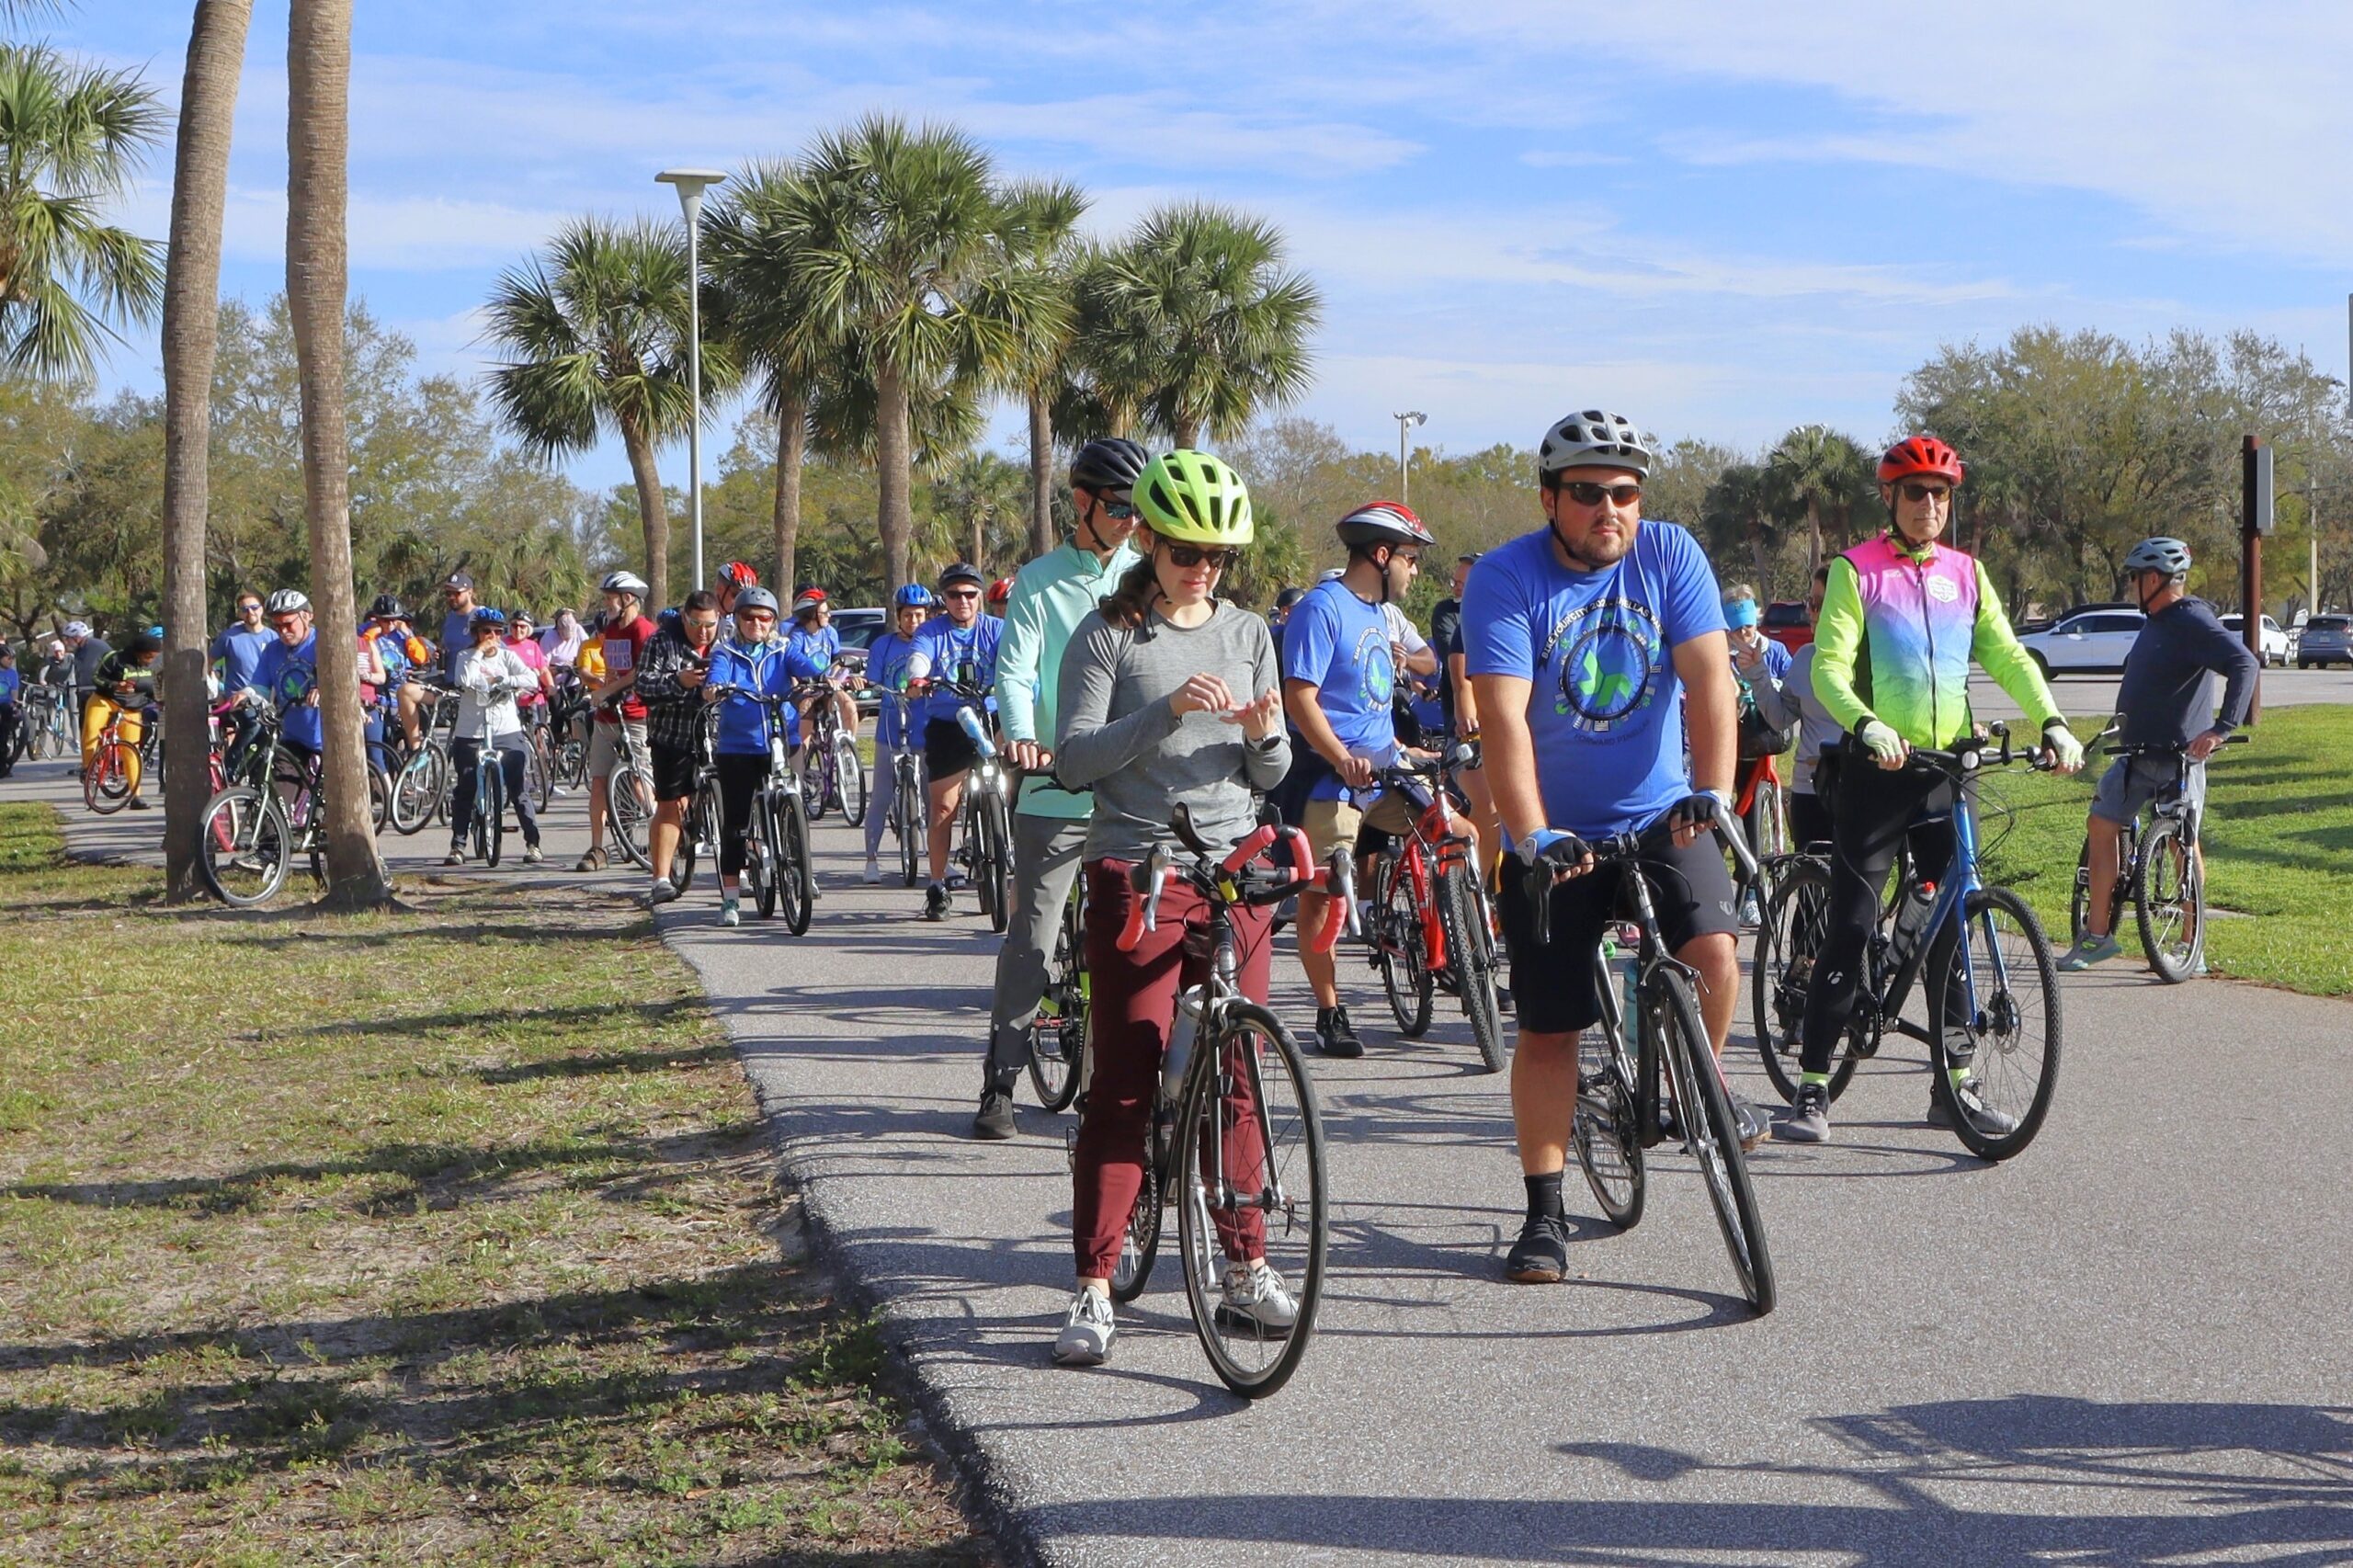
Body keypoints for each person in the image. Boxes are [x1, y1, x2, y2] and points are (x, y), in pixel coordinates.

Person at [1462, 407, 1760, 1284]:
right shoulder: (1506, 580)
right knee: (1552, 1032)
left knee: (1714, 946)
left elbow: (1710, 682)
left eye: (1624, 494)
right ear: (1550, 498)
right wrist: (1530, 834)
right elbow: (1504, 722)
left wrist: (1711, 788)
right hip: (1557, 835)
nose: (1609, 511)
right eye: (1588, 494)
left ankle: (1698, 1087)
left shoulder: (1671, 555)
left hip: (1663, 814)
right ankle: (1544, 1210)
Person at [1048, 448, 1292, 1368]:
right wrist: (1164, 714)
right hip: (1139, 869)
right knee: (1126, 1079)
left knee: (1240, 1071)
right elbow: (1073, 762)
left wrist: (1266, 737)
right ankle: (1094, 1286)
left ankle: (1246, 1263)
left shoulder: (1248, 632)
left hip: (1234, 872)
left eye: (1218, 555)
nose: (1201, 567)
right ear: (1146, 537)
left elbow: (1269, 772)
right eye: (1186, 548)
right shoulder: (1108, 636)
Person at [1775, 435, 2084, 1146]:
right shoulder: (1859, 569)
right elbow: (1826, 667)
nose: (1929, 505)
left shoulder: (1967, 574)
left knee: (1951, 926)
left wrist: (2055, 722)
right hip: (1877, 772)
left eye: (1940, 493)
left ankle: (1956, 1084)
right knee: (1852, 924)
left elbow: (2007, 654)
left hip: (1948, 771)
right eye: (1915, 492)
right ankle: (1814, 1084)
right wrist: (1866, 724)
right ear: (1891, 498)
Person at [977, 437, 1148, 1140]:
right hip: (1054, 784)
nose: (1130, 522)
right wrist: (1020, 734)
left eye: (1140, 510)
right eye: (1117, 508)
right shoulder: (1039, 581)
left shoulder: (1153, 575)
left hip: (1131, 790)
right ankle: (1000, 1081)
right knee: (1035, 940)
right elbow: (1016, 671)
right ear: (1081, 503)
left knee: (1137, 942)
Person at [1279, 500, 1436, 1058]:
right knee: (1321, 896)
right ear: (1382, 554)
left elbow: (1372, 702)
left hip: (1385, 769)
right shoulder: (1322, 609)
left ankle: (1448, 943)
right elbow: (1300, 700)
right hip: (1332, 779)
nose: (1415, 572)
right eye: (1411, 560)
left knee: (1453, 828)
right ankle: (1329, 1011)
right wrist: (1342, 756)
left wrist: (1401, 748)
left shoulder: (1375, 613)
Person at [2060, 536, 2256, 973]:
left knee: (2182, 846)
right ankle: (2097, 938)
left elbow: (2245, 664)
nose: (2132, 587)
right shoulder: (2155, 621)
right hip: (2134, 754)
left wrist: (2222, 728)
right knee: (2102, 822)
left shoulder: (2192, 620)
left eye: (2134, 578)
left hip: (2178, 760)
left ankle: (2192, 947)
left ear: (2153, 579)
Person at [906, 562, 1004, 921]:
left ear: (980, 597)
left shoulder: (997, 629)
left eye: (970, 594)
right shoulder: (931, 631)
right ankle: (936, 885)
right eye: (954, 595)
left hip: (993, 719)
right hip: (949, 725)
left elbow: (1018, 662)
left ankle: (1013, 865)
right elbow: (919, 659)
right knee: (944, 809)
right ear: (943, 598)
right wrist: (919, 678)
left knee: (1018, 794)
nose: (962, 601)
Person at [699, 586, 798, 926]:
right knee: (737, 824)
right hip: (738, 746)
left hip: (779, 739)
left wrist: (825, 675)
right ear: (737, 620)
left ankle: (798, 866)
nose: (756, 623)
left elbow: (808, 665)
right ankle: (729, 900)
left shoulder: (782, 650)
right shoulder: (726, 652)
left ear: (773, 621)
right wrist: (715, 687)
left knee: (791, 800)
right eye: (748, 617)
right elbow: (717, 677)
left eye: (764, 617)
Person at [634, 589, 723, 904]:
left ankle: (738, 868)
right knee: (670, 804)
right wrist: (678, 681)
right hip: (672, 735)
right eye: (697, 624)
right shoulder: (660, 641)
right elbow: (642, 686)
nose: (703, 631)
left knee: (734, 797)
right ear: (685, 617)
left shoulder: (728, 642)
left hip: (718, 735)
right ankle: (660, 878)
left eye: (710, 624)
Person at [1722, 581, 1799, 924]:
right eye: (1737, 629)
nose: (1745, 634)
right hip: (1732, 743)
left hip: (1766, 740)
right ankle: (1721, 885)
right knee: (1727, 814)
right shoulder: (1719, 655)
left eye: (1749, 626)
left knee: (1754, 812)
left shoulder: (1776, 650)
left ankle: (1753, 890)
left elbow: (1790, 685)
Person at [444, 608, 544, 866]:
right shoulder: (466, 656)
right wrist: (478, 653)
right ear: (476, 633)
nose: (493, 637)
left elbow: (531, 678)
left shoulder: (508, 656)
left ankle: (533, 843)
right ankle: (457, 846)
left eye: (498, 632)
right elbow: (464, 679)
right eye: (486, 631)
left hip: (505, 730)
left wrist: (507, 681)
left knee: (518, 788)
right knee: (465, 789)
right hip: (471, 732)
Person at [577, 571, 656, 873]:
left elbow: (640, 670)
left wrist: (608, 690)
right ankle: (597, 849)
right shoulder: (610, 628)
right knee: (598, 783)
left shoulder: (643, 629)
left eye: (611, 597)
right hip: (607, 714)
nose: (607, 603)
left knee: (640, 780)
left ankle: (659, 840)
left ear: (628, 599)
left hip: (636, 715)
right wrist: (602, 692)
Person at [861, 585, 936, 883]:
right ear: (898, 616)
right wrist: (866, 688)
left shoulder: (933, 642)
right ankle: (871, 860)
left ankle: (937, 856)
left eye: (918, 615)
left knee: (934, 796)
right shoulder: (883, 646)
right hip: (891, 729)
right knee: (880, 795)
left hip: (928, 727)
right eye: (907, 615)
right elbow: (872, 681)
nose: (913, 621)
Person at [1784, 565, 1842, 850]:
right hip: (1809, 788)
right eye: (1810, 602)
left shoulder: (1873, 662)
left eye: (1817, 604)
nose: (1810, 611)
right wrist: (1756, 670)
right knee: (1811, 883)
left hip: (1859, 789)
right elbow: (1780, 716)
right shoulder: (1805, 657)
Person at [244, 590, 324, 769]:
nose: (283, 631)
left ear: (307, 616)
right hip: (293, 739)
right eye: (277, 626)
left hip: (329, 738)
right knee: (279, 794)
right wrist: (244, 695)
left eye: (288, 624)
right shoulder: (273, 650)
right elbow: (259, 688)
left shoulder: (322, 641)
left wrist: (323, 689)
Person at [83, 632, 163, 805]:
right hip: (105, 700)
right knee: (91, 730)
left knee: (132, 750)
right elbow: (96, 677)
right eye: (148, 656)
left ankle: (135, 796)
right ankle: (88, 769)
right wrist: (115, 685)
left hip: (132, 707)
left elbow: (158, 686)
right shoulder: (116, 658)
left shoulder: (158, 664)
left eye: (154, 657)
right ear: (138, 652)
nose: (150, 661)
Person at [785, 589, 858, 745]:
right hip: (806, 688)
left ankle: (848, 750)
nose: (829, 616)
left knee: (849, 706)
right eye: (824, 613)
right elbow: (791, 667)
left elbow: (837, 660)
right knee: (806, 710)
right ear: (812, 615)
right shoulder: (797, 636)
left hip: (828, 685)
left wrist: (835, 678)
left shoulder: (830, 633)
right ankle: (801, 754)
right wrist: (798, 687)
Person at [210, 592, 273, 704]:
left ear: (262, 609)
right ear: (239, 613)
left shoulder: (274, 638)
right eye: (244, 609)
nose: (250, 612)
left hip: (266, 702)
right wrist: (217, 693)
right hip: (237, 704)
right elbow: (207, 663)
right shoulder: (228, 637)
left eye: (254, 607)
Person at [437, 573, 478, 678]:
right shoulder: (450, 617)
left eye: (457, 593)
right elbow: (446, 645)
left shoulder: (481, 616)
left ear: (470, 592)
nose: (451, 597)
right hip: (448, 679)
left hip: (472, 683)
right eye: (448, 593)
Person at [540, 607, 587, 672]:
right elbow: (543, 667)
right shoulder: (547, 638)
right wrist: (560, 669)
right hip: (559, 678)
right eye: (562, 632)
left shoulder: (578, 630)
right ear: (558, 628)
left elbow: (587, 648)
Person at [0, 645, 21, 777]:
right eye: (8, 658)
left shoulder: (12, 674)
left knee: (3, 732)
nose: (11, 661)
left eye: (12, 658)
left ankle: (3, 762)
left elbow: (14, 693)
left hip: (5, 706)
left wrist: (14, 702)